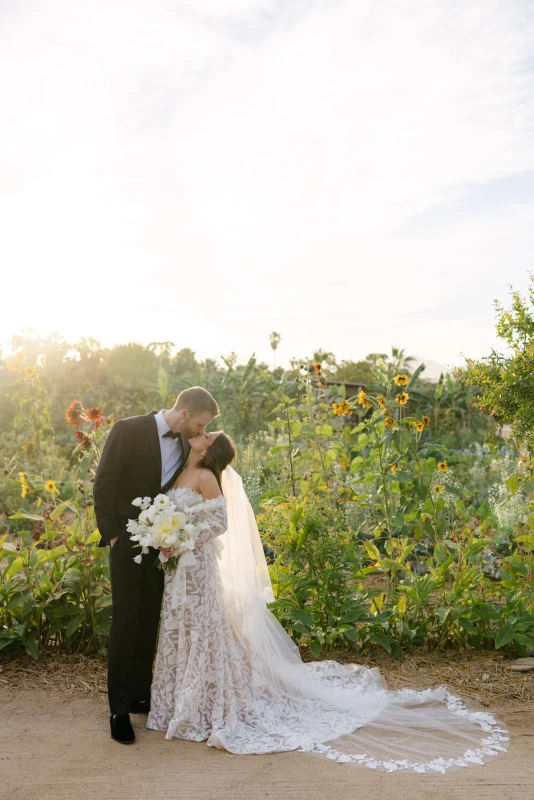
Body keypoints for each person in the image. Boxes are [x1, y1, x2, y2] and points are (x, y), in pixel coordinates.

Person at [145, 434, 509, 773]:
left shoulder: (206, 475)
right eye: (205, 431)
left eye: (208, 435)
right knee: (181, 625)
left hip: (197, 565)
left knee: (204, 626)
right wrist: (165, 536)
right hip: (177, 568)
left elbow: (220, 521)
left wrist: (183, 539)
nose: (203, 434)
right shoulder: (181, 469)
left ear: (210, 451)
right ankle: (181, 700)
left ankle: (207, 702)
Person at [93, 386, 219, 745]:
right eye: (200, 424)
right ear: (184, 414)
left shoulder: (185, 445)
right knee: (125, 621)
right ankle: (118, 710)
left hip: (162, 545)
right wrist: (113, 535)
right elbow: (104, 483)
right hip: (126, 541)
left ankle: (138, 695)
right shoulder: (127, 429)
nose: (201, 431)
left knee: (149, 620)